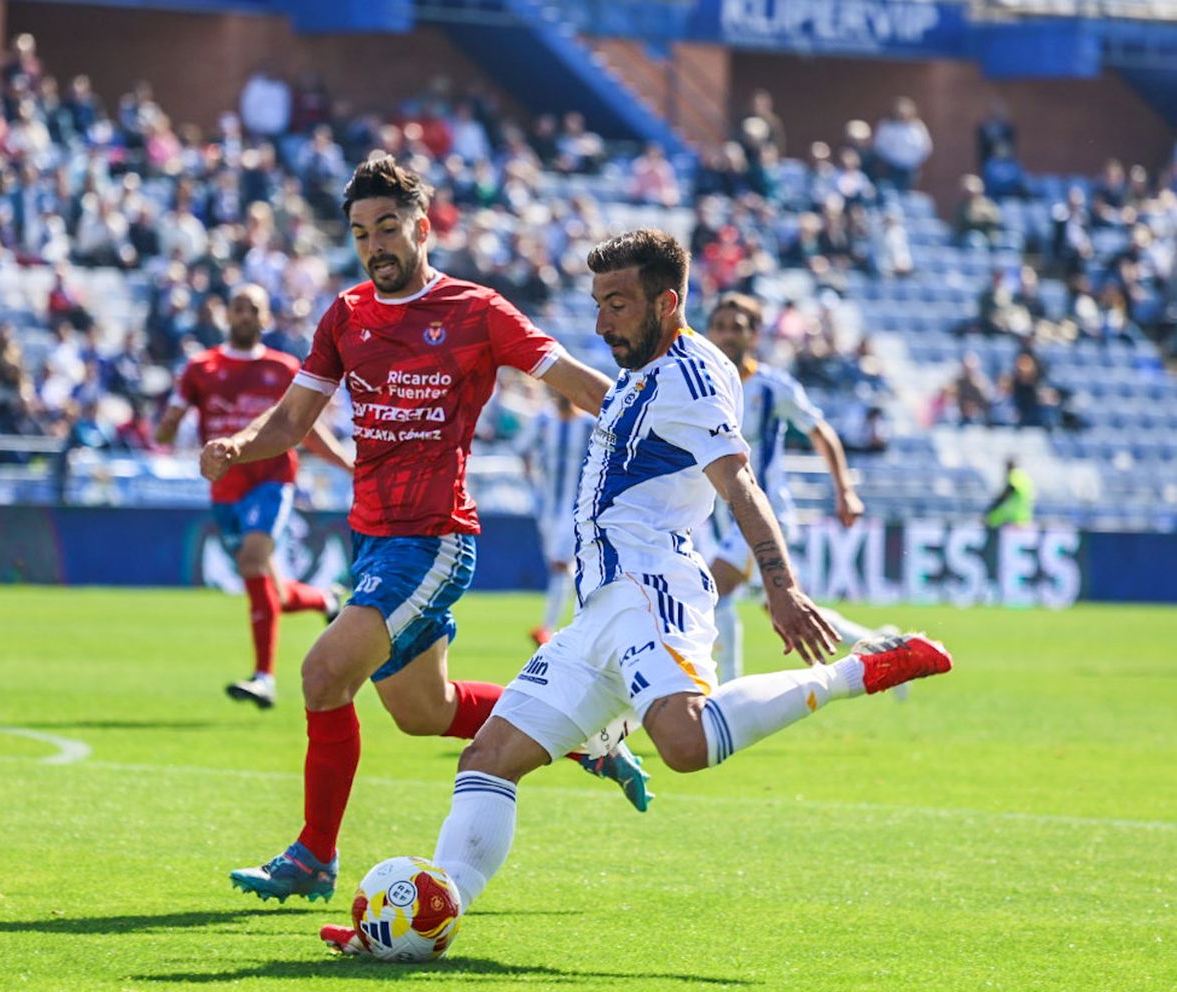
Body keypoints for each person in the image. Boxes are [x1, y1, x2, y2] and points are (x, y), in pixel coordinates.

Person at [318, 229, 954, 954]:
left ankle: (855, 673)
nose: (602, 321)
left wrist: (781, 586)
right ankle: (416, 922)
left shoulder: (695, 376)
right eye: (597, 303)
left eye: (618, 304)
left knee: (683, 744)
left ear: (668, 301)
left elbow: (736, 481)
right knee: (485, 761)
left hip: (653, 590)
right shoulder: (636, 373)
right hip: (601, 609)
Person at [202, 154, 649, 903]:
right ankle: (584, 736)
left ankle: (314, 855)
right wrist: (240, 447)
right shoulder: (346, 316)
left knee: (320, 675)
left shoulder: (476, 311)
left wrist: (656, 424)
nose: (374, 244)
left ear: (421, 228)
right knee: (424, 712)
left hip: (435, 538)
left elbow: (569, 377)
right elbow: (292, 419)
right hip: (373, 539)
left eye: (387, 227)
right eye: (360, 232)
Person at [155, 283, 354, 709]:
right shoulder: (200, 368)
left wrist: (347, 464)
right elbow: (166, 427)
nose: (245, 315)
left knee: (251, 562)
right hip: (225, 488)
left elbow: (306, 431)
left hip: (272, 481)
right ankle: (324, 599)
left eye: (254, 309)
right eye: (239, 307)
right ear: (227, 315)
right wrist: (168, 424)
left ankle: (264, 677)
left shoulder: (284, 369)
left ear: (266, 319)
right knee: (272, 592)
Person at [704, 294, 893, 682]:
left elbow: (821, 431)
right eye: (720, 326)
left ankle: (725, 698)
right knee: (784, 606)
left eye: (737, 328)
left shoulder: (773, 387)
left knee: (712, 592)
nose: (726, 335)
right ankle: (884, 650)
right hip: (724, 520)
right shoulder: (702, 386)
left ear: (754, 336)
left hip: (766, 514)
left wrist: (845, 490)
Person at [521, 390, 591, 648]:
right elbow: (523, 449)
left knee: (562, 564)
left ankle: (548, 628)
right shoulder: (542, 421)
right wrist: (533, 483)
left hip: (578, 507)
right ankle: (583, 620)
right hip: (548, 508)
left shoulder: (589, 425)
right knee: (562, 568)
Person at [984, 457, 1035, 529]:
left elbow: (1007, 493)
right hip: (1023, 518)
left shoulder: (1015, 476)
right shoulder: (1025, 477)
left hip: (1012, 519)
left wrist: (991, 508)